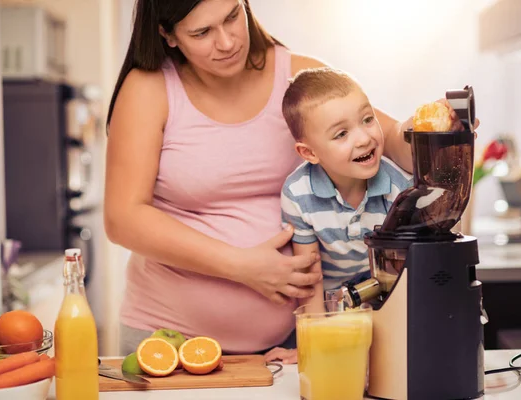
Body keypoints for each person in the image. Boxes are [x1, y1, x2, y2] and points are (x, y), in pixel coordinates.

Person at [105, 0, 472, 356]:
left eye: (233, 16)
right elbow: (123, 219)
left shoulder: (300, 78)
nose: (228, 41)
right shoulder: (149, 89)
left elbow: (390, 142)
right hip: (170, 340)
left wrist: (434, 129)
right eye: (202, 32)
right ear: (168, 35)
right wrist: (242, 266)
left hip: (296, 344)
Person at [263, 67, 414, 364]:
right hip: (333, 321)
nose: (363, 139)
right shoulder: (298, 194)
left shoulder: (400, 189)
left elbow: (405, 275)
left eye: (367, 119)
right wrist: (313, 347)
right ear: (309, 153)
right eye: (342, 133)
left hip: (389, 316)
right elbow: (310, 275)